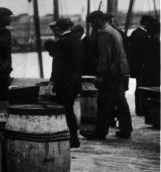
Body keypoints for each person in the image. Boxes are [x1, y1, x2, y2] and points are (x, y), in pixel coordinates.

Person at [85, 11, 132, 140]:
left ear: (99, 20)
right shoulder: (113, 30)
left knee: (103, 102)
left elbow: (104, 58)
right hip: (120, 71)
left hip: (110, 74)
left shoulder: (104, 33)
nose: (92, 25)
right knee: (120, 101)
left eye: (92, 22)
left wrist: (100, 75)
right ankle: (126, 129)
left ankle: (100, 132)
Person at [45, 18, 84, 148]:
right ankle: (74, 138)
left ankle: (72, 139)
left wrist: (51, 83)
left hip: (64, 83)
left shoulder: (62, 42)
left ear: (59, 28)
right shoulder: (78, 41)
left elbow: (57, 66)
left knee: (66, 111)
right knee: (69, 109)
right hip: (76, 82)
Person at [130, 15, 153, 116]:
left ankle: (139, 108)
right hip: (142, 66)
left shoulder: (135, 33)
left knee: (139, 87)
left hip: (137, 66)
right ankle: (141, 109)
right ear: (146, 23)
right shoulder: (143, 35)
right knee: (141, 87)